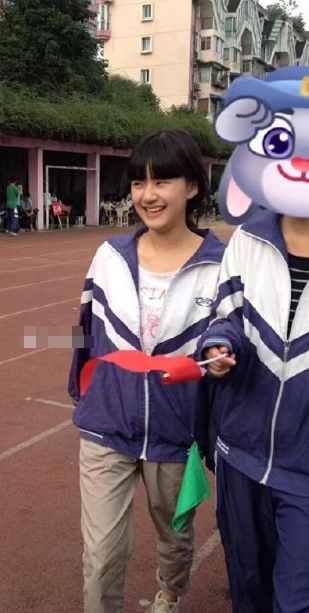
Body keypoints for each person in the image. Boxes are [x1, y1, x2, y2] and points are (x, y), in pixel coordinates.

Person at [68, 129, 225, 613]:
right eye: (139, 183)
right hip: (107, 425)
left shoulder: (221, 266)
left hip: (177, 434)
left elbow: (229, 344)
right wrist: (82, 391)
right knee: (101, 555)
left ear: (192, 187)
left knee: (175, 537)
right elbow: (85, 327)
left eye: (162, 182)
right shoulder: (109, 256)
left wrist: (218, 366)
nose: (148, 195)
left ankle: (169, 593)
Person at [199, 66, 309, 613]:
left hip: (304, 470)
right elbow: (226, 316)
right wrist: (219, 349)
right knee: (248, 587)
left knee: (296, 598)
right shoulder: (247, 241)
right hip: (240, 454)